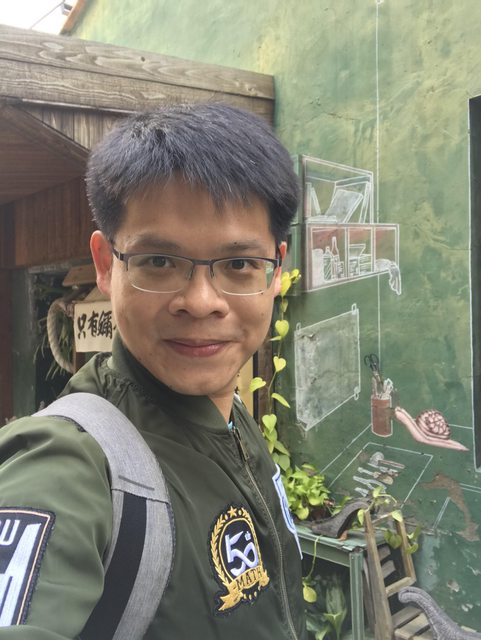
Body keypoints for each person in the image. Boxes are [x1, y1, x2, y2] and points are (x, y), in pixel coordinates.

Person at [0, 103, 307, 639]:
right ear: (105, 264)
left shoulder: (232, 418)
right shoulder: (67, 464)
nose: (202, 302)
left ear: (275, 270)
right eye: (159, 262)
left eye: (239, 264)